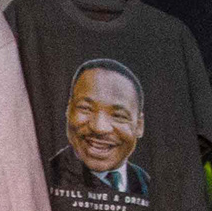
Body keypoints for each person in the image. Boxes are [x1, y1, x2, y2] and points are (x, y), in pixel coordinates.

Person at [48, 59, 150, 197]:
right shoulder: (45, 177)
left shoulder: (148, 184)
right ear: (69, 111)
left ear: (139, 126)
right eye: (86, 108)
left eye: (118, 115)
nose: (99, 128)